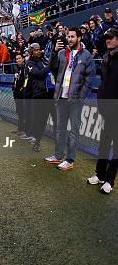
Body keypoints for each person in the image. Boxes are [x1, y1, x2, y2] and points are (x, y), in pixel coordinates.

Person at [44, 27, 94, 171]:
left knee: (74, 131)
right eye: (68, 36)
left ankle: (70, 160)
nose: (69, 39)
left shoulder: (87, 56)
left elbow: (89, 79)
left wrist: (80, 97)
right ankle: (58, 155)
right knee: (59, 128)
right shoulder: (61, 53)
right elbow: (52, 69)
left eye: (72, 36)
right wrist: (53, 52)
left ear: (79, 38)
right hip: (61, 97)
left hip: (75, 100)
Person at [88, 28, 118, 194]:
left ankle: (110, 180)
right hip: (106, 108)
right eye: (106, 38)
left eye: (111, 38)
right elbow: (105, 83)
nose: (108, 40)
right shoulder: (106, 58)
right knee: (104, 144)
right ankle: (100, 174)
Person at [23, 43, 52, 152]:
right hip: (38, 96)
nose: (39, 51)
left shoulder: (43, 61)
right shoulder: (29, 64)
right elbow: (40, 74)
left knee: (51, 120)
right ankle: (36, 140)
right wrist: (49, 66)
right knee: (39, 120)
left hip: (51, 94)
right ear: (31, 52)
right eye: (36, 50)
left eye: (40, 49)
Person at [12, 53, 27, 137]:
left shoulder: (25, 68)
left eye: (19, 58)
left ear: (23, 59)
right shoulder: (17, 69)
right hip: (17, 94)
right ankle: (20, 129)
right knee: (19, 112)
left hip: (22, 95)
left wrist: (22, 89)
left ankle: (24, 130)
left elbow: (25, 81)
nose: (18, 60)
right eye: (16, 59)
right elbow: (16, 81)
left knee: (23, 112)